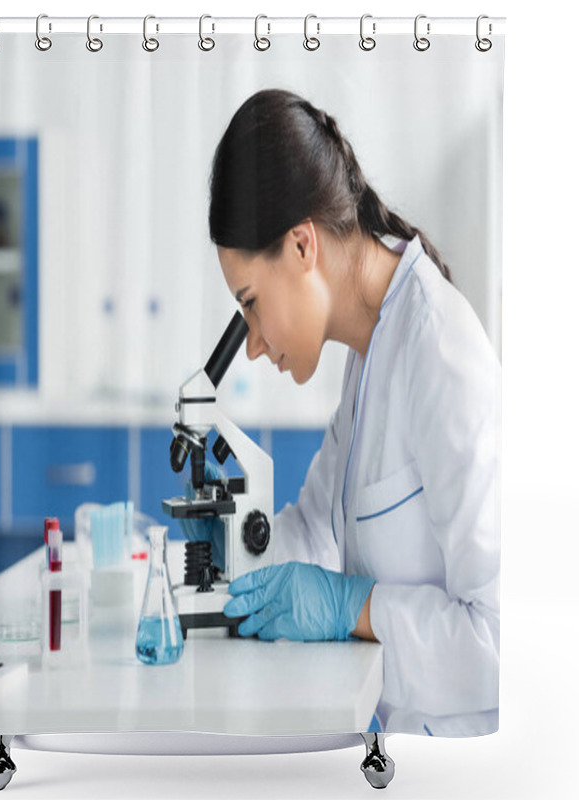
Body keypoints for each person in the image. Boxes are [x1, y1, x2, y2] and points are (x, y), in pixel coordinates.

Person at [182, 89, 500, 737]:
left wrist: (354, 607)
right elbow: (312, 533)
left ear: (302, 247)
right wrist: (234, 561)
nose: (254, 339)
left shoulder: (437, 346)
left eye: (250, 302)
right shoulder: (368, 354)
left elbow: (500, 645)